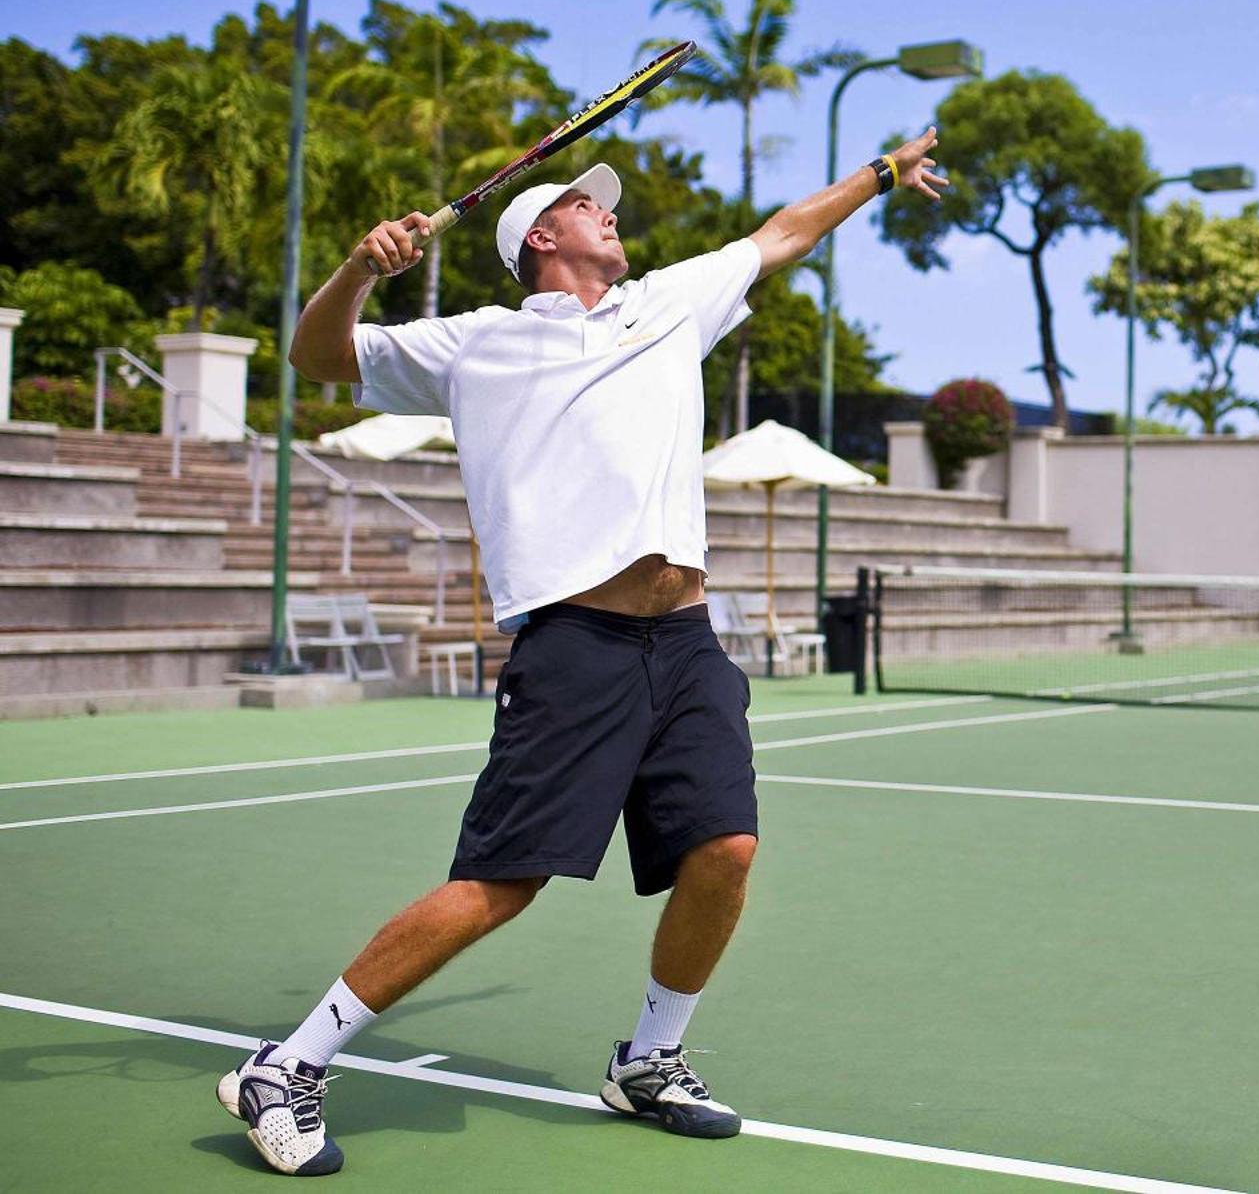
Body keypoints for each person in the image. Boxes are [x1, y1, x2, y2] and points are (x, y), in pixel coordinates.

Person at [216, 131, 948, 1176]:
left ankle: (649, 1059)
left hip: (684, 639)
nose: (608, 211)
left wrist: (878, 176)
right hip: (576, 643)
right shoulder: (474, 345)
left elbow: (783, 234)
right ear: (541, 236)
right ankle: (285, 1066)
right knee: (498, 884)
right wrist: (358, 271)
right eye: (585, 203)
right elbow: (317, 357)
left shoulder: (668, 303)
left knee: (724, 853)